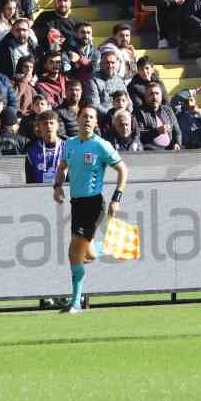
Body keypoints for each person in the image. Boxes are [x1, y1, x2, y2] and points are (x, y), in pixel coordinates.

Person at [52, 105, 129, 313]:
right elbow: (62, 168)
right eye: (84, 116)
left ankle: (75, 302)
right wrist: (57, 187)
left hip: (94, 204)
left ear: (96, 122)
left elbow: (123, 170)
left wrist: (117, 197)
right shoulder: (69, 145)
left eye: (92, 117)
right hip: (76, 204)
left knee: (74, 252)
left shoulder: (101, 145)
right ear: (77, 119)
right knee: (89, 253)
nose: (87, 120)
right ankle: (112, 245)